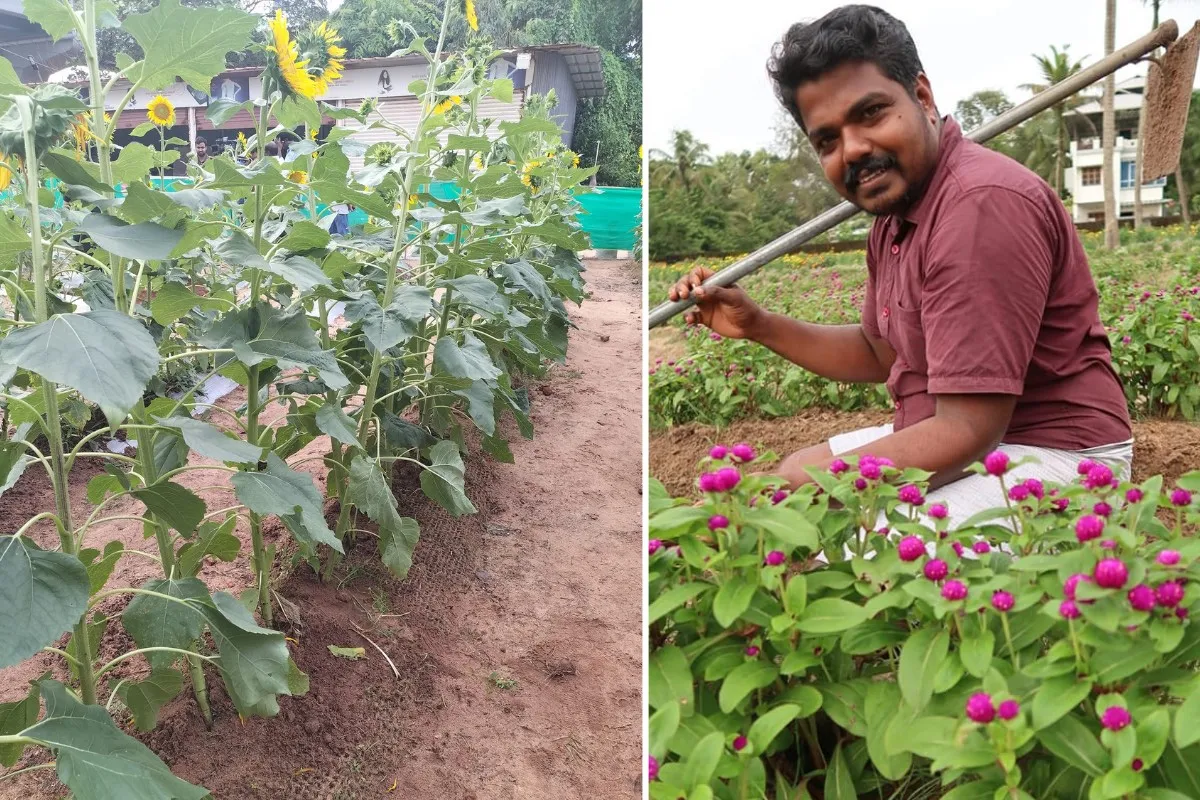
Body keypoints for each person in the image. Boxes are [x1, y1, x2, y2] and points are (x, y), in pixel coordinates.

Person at [667, 5, 1134, 527]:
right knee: (793, 477)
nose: (855, 149)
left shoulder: (980, 206)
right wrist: (760, 325)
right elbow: (878, 352)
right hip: (972, 435)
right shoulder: (895, 217)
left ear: (922, 98)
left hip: (1054, 456)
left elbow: (969, 430)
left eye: (871, 114)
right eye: (828, 140)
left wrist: (828, 486)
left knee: (850, 554)